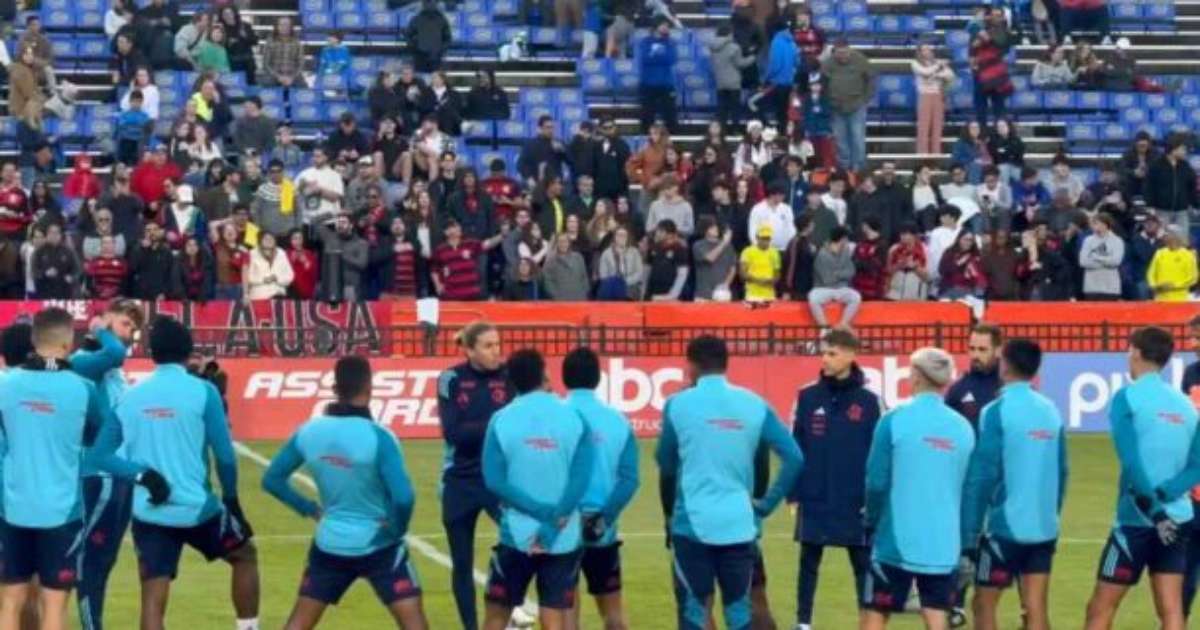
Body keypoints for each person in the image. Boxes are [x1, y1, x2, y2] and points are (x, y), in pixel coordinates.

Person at [0, 308, 162, 630]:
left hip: (14, 508)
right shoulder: (83, 388)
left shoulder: (6, 385)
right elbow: (100, 443)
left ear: (34, 339)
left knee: (10, 602)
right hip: (62, 511)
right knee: (54, 604)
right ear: (67, 343)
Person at [93, 316, 258, 630]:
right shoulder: (205, 391)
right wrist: (232, 499)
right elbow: (225, 457)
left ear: (152, 353)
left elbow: (100, 456)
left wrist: (142, 475)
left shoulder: (129, 396)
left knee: (153, 596)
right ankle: (249, 628)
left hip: (150, 512)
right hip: (198, 509)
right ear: (188, 350)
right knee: (245, 556)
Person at [262, 355, 428, 630]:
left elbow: (272, 480)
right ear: (369, 387)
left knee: (299, 622)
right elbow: (403, 497)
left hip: (330, 542)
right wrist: (396, 529)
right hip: (379, 542)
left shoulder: (309, 431)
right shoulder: (380, 437)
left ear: (335, 388)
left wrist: (308, 508)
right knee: (412, 621)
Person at [656, 334, 803, 630]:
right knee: (739, 613)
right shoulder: (755, 403)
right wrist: (766, 504)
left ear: (690, 365)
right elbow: (794, 458)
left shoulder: (676, 404)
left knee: (694, 612)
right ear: (726, 364)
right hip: (739, 524)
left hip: (692, 526)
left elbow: (666, 464)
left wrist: (670, 513)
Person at [1084, 327, 1200, 630]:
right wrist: (1165, 495)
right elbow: (1196, 467)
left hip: (1136, 521)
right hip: (1177, 521)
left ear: (1135, 352)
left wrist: (1154, 509)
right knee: (1171, 610)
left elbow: (1132, 461)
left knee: (1100, 608)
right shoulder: (1186, 406)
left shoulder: (1126, 398)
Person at [862, 346, 976, 630]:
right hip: (943, 544)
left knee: (876, 613)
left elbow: (876, 482)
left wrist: (871, 520)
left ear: (914, 376)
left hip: (896, 540)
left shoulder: (892, 420)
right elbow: (969, 489)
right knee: (937, 617)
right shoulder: (963, 428)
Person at [480, 348, 595, 630]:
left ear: (512, 380)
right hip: (563, 536)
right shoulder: (575, 417)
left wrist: (539, 511)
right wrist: (554, 520)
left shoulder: (500, 419)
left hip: (516, 535)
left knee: (496, 616)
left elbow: (494, 480)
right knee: (554, 619)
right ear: (544, 374)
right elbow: (581, 478)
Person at [961, 338, 1068, 630]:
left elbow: (983, 475)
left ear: (1004, 364)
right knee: (1035, 607)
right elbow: (1062, 471)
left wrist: (969, 536)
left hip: (1005, 527)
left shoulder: (995, 411)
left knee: (983, 603)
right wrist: (1051, 513)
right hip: (1044, 526)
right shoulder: (1051, 409)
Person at [790, 329, 880, 630]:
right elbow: (796, 447)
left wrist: (874, 496)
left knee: (862, 564)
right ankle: (803, 622)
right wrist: (794, 492)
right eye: (824, 353)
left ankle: (867, 621)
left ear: (851, 355)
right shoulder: (806, 396)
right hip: (815, 494)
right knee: (808, 561)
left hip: (855, 498)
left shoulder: (871, 402)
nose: (825, 359)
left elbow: (880, 454)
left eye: (832, 353)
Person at [68, 300, 146, 630]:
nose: (130, 334)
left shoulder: (111, 370)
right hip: (98, 476)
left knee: (106, 559)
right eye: (125, 324)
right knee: (91, 560)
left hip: (119, 474)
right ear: (105, 319)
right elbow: (114, 352)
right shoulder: (83, 361)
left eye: (133, 328)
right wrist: (100, 329)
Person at [435, 323, 513, 630]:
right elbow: (453, 433)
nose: (496, 351)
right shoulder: (451, 379)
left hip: (499, 481)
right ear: (469, 350)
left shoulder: (510, 376)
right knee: (462, 563)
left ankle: (507, 613)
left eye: (498, 344)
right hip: (460, 481)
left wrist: (476, 426)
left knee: (519, 547)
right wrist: (497, 423)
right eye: (488, 345)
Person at [561, 348, 639, 630]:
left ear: (564, 377)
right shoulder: (618, 420)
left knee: (565, 613)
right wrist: (604, 518)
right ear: (598, 378)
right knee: (613, 614)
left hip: (563, 527)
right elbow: (629, 480)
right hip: (602, 530)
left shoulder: (555, 417)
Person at [822, 39, 875, 172]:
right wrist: (828, 101)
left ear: (849, 50)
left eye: (845, 52)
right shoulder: (828, 63)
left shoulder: (860, 60)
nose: (842, 56)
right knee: (840, 140)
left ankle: (859, 168)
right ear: (834, 52)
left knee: (857, 138)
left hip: (856, 105)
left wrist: (866, 99)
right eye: (839, 53)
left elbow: (870, 79)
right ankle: (844, 168)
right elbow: (823, 84)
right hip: (836, 107)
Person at [808, 227, 861, 330]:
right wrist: (842, 274)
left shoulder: (845, 251)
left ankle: (842, 325)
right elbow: (827, 280)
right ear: (842, 239)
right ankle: (824, 327)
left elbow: (851, 271)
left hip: (841, 288)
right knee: (813, 298)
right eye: (846, 239)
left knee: (856, 297)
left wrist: (836, 274)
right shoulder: (822, 255)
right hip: (824, 288)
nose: (848, 242)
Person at [1146, 136, 1198, 238]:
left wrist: (1196, 204)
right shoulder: (1156, 165)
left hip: (1181, 212)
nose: (1185, 152)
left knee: (1182, 240)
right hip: (1162, 211)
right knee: (1163, 240)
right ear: (1174, 149)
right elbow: (1149, 187)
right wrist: (1150, 205)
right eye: (1183, 149)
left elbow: (1191, 187)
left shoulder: (1186, 166)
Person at [912, 44, 955, 155]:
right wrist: (938, 68)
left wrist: (938, 74)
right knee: (924, 126)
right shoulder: (915, 63)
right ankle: (922, 153)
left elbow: (950, 75)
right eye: (924, 49)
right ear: (920, 52)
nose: (927, 51)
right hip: (924, 95)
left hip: (938, 95)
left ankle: (936, 153)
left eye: (929, 49)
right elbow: (925, 72)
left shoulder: (937, 63)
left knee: (937, 127)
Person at [637, 19, 678, 132]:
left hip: (666, 84)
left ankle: (672, 136)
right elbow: (645, 59)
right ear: (656, 26)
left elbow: (671, 59)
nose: (666, 28)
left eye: (667, 26)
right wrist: (659, 55)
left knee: (670, 114)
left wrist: (655, 54)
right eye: (664, 25)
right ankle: (645, 136)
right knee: (647, 114)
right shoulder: (645, 41)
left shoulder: (671, 42)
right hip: (648, 83)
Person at [1080, 213, 1125, 300]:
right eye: (1093, 223)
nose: (1093, 226)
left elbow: (1115, 262)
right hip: (1091, 287)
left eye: (1096, 223)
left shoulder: (1117, 241)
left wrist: (1095, 257)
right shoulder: (1088, 240)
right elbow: (1083, 262)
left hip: (1111, 288)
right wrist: (1106, 262)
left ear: (1105, 224)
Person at [1148, 225, 1198, 302]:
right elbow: (1151, 273)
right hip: (1160, 298)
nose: (1165, 237)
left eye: (1167, 234)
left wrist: (1174, 285)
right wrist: (1155, 285)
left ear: (1176, 237)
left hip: (1180, 299)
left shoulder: (1188, 255)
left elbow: (1193, 278)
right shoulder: (1159, 253)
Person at [406, 0, 452, 72]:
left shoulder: (442, 19)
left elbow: (448, 38)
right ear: (424, 4)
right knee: (421, 76)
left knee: (434, 77)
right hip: (421, 56)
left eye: (432, 2)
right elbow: (408, 36)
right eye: (428, 2)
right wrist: (415, 50)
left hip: (435, 56)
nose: (430, 4)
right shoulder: (417, 19)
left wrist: (440, 51)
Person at [261, 17, 305, 87]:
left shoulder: (296, 42)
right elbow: (266, 64)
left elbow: (301, 63)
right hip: (274, 74)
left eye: (287, 25)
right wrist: (278, 77)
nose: (284, 27)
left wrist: (292, 77)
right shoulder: (270, 41)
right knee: (267, 84)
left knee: (303, 87)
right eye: (281, 25)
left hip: (292, 75)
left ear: (291, 27)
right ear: (277, 27)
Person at [740, 225, 781, 302]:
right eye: (763, 238)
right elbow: (742, 274)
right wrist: (758, 280)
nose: (765, 241)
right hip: (752, 295)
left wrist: (769, 281)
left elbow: (777, 275)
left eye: (768, 238)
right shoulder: (747, 251)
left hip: (769, 295)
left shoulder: (774, 252)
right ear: (757, 238)